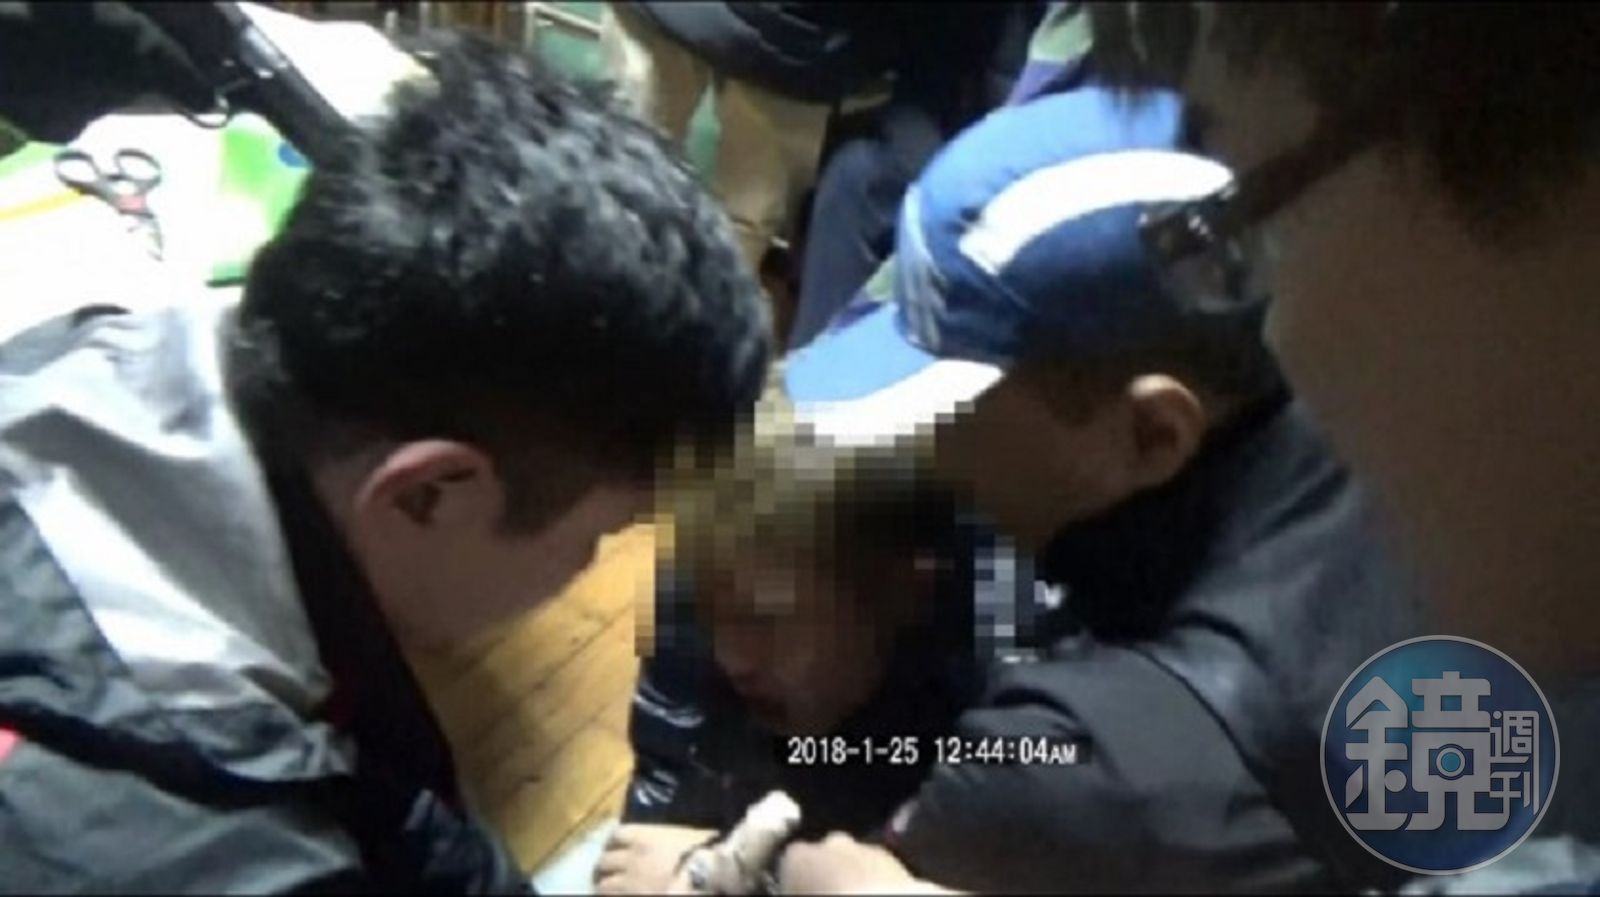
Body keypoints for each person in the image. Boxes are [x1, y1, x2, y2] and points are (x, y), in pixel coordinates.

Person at [0, 11, 772, 891]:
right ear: (427, 493)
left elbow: (393, 798)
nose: (587, 567)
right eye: (595, 537)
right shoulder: (225, 861)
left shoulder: (130, 359)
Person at [609, 88, 1428, 894]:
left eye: (946, 408)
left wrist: (752, 877)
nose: (921, 445)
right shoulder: (1419, 431)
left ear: (1152, 434)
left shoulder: (1068, 775)